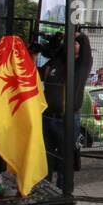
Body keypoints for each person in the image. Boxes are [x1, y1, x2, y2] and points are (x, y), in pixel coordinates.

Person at [39, 30, 92, 174]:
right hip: (47, 117)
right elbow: (37, 73)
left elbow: (84, 43)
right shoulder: (57, 62)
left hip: (67, 119)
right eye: (69, 43)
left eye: (75, 44)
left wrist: (74, 33)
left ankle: (64, 192)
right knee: (46, 157)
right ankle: (46, 187)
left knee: (65, 159)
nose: (71, 45)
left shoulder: (82, 64)